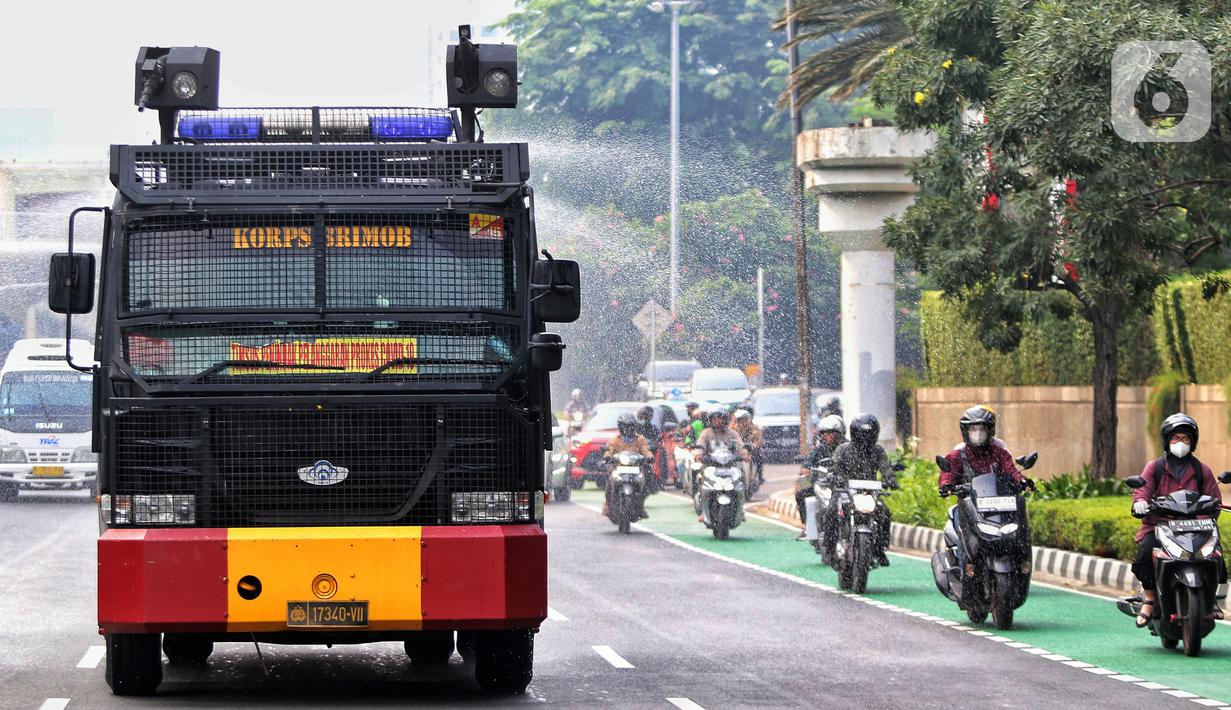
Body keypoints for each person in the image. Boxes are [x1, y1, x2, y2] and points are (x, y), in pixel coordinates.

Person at [1130, 413, 1226, 627]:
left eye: (1185, 438)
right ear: (1167, 440)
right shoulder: (1154, 468)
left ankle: (1211, 600)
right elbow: (1142, 491)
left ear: (1192, 442)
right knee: (1146, 551)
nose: (1180, 443)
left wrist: (1206, 515)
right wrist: (1140, 503)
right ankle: (1150, 598)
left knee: (1216, 553)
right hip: (1159, 527)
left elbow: (1214, 499)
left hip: (1196, 529)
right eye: (1175, 438)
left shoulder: (1202, 470)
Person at [939, 405, 1032, 572]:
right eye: (973, 428)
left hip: (999, 508)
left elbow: (1011, 470)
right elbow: (948, 472)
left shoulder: (1000, 453)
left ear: (990, 430)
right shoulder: (958, 455)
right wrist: (946, 485)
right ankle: (965, 570)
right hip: (969, 508)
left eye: (982, 428)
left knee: (1019, 529)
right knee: (963, 534)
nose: (978, 433)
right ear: (966, 431)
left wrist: (1022, 481)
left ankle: (1021, 566)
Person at [830, 414, 899, 566]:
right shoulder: (843, 450)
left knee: (885, 513)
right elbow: (836, 468)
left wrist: (891, 480)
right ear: (854, 433)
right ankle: (831, 549)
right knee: (832, 511)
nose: (865, 438)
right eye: (862, 435)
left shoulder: (878, 451)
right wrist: (837, 478)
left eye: (869, 435)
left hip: (869, 493)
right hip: (846, 492)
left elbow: (886, 468)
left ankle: (880, 548)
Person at [795, 414, 846, 538]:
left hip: (843, 484)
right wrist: (806, 468)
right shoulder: (819, 449)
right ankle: (807, 525)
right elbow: (808, 461)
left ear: (840, 433)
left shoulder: (847, 447)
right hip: (822, 483)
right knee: (801, 493)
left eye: (832, 433)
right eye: (825, 433)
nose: (828, 436)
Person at [603, 413, 653, 520]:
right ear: (620, 427)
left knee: (648, 480)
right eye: (625, 426)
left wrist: (649, 457)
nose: (627, 429)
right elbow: (609, 450)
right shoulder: (615, 440)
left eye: (630, 426)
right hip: (618, 467)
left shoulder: (640, 439)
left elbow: (646, 450)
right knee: (608, 484)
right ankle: (608, 506)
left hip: (637, 468)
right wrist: (607, 456)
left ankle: (640, 506)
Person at [731, 409, 764, 489]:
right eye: (740, 420)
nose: (742, 422)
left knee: (759, 456)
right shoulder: (733, 430)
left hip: (751, 452)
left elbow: (759, 441)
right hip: (738, 452)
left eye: (744, 419)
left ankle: (759, 476)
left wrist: (753, 445)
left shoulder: (755, 429)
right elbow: (730, 439)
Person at [635, 405, 663, 490]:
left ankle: (658, 480)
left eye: (646, 416)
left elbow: (658, 440)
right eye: (642, 416)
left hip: (650, 452)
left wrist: (655, 444)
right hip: (635, 452)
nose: (643, 418)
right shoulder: (634, 427)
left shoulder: (654, 429)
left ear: (650, 417)